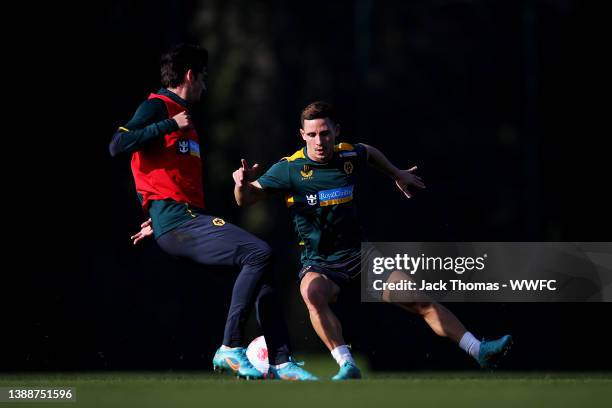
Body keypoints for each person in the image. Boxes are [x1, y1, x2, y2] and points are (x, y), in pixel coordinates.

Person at [232, 101, 512, 380]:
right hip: (320, 264)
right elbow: (245, 200)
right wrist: (241, 184)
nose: (320, 141)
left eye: (325, 133)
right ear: (302, 135)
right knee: (311, 293)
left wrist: (397, 174)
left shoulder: (347, 156)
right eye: (313, 135)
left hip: (361, 258)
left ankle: (479, 350)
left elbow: (369, 152)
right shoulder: (289, 169)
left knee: (421, 301)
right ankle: (346, 365)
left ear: (336, 131)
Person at [109, 44, 317, 381]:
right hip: (176, 219)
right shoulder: (158, 107)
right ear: (190, 75)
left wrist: (157, 214)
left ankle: (281, 362)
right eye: (203, 77)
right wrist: (168, 126)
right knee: (258, 252)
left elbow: (158, 174)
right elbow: (118, 145)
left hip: (178, 219)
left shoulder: (183, 118)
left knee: (263, 271)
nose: (205, 85)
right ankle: (231, 347)